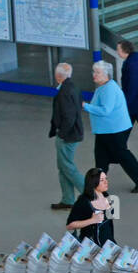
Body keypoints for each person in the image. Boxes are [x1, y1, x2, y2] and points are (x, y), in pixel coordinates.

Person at [83, 60, 138, 193]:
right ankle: (98, 184)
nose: (94, 75)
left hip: (114, 130)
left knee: (122, 154)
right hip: (105, 130)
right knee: (101, 157)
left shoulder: (109, 89)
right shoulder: (103, 87)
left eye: (97, 72)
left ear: (106, 74)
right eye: (93, 71)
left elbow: (106, 110)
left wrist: (85, 106)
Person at [49, 62, 84, 210]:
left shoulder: (64, 92)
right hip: (73, 134)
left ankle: (92, 196)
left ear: (58, 76)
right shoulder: (73, 87)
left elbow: (69, 117)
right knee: (63, 167)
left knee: (68, 167)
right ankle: (68, 199)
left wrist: (62, 134)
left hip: (67, 136)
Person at [66, 169, 116, 245]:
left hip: (109, 245)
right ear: (93, 182)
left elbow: (109, 224)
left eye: (106, 178)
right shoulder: (83, 201)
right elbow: (70, 225)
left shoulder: (108, 196)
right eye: (102, 180)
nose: (106, 182)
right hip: (91, 247)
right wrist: (92, 220)